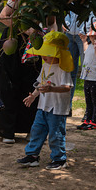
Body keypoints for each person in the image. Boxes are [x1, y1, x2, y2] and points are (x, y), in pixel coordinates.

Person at [0, 0, 56, 144]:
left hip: (37, 43)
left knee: (32, 83)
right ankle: (6, 130)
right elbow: (3, 16)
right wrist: (26, 30)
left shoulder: (50, 0)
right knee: (7, 84)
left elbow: (52, 23)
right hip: (13, 40)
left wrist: (51, 37)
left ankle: (31, 129)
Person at [16, 31, 74, 170]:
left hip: (57, 108)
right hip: (43, 106)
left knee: (56, 134)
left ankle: (60, 159)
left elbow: (67, 87)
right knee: (36, 130)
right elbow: (40, 84)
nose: (43, 56)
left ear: (58, 53)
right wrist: (33, 96)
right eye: (42, 53)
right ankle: (32, 156)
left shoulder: (62, 69)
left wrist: (52, 89)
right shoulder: (45, 65)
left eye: (47, 54)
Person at [63, 10, 96, 116]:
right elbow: (65, 13)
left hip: (83, 36)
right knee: (69, 72)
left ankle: (89, 111)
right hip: (69, 35)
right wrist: (65, 24)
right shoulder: (70, 1)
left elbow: (93, 17)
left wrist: (85, 33)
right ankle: (67, 107)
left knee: (88, 72)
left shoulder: (89, 2)